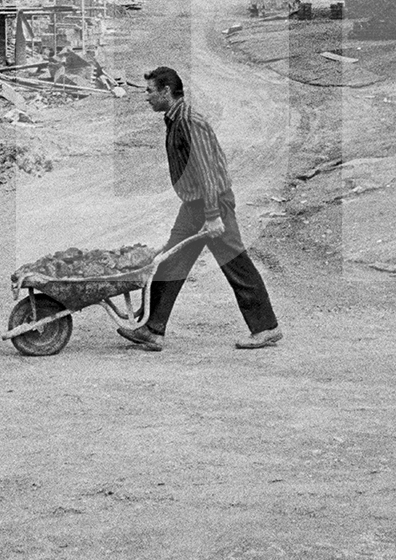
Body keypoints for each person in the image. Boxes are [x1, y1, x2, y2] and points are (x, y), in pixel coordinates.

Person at [118, 66, 282, 351]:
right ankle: (153, 329)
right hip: (194, 205)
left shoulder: (190, 121)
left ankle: (266, 328)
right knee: (171, 261)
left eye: (150, 92)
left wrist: (213, 216)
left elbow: (207, 171)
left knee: (235, 263)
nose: (147, 98)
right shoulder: (175, 118)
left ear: (166, 92)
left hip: (213, 203)